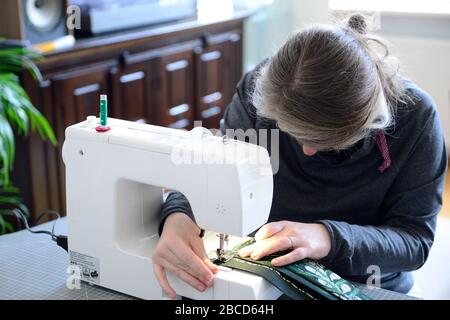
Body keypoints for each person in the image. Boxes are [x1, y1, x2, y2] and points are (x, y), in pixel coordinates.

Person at [152, 14, 447, 299]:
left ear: (368, 122)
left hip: (365, 282)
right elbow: (213, 170)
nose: (306, 151)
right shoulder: (264, 91)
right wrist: (179, 215)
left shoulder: (416, 118)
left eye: (325, 141)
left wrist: (327, 238)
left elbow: (413, 241)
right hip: (266, 275)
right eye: (292, 133)